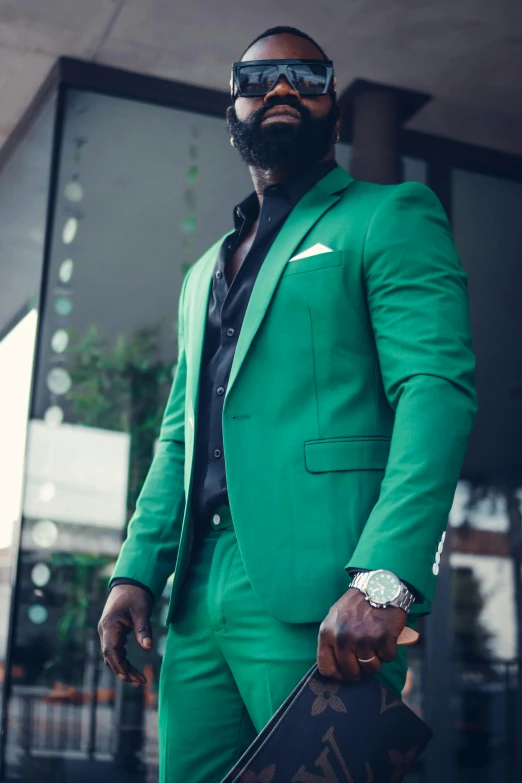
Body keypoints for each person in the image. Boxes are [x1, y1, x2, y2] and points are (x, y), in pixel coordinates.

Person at [98, 25, 477, 783]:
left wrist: (386, 575)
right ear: (232, 113)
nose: (279, 91)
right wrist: (137, 568)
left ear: (335, 113)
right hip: (198, 593)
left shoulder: (389, 215)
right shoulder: (203, 270)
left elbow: (434, 390)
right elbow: (181, 432)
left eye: (305, 77)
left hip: (324, 589)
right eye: (257, 80)